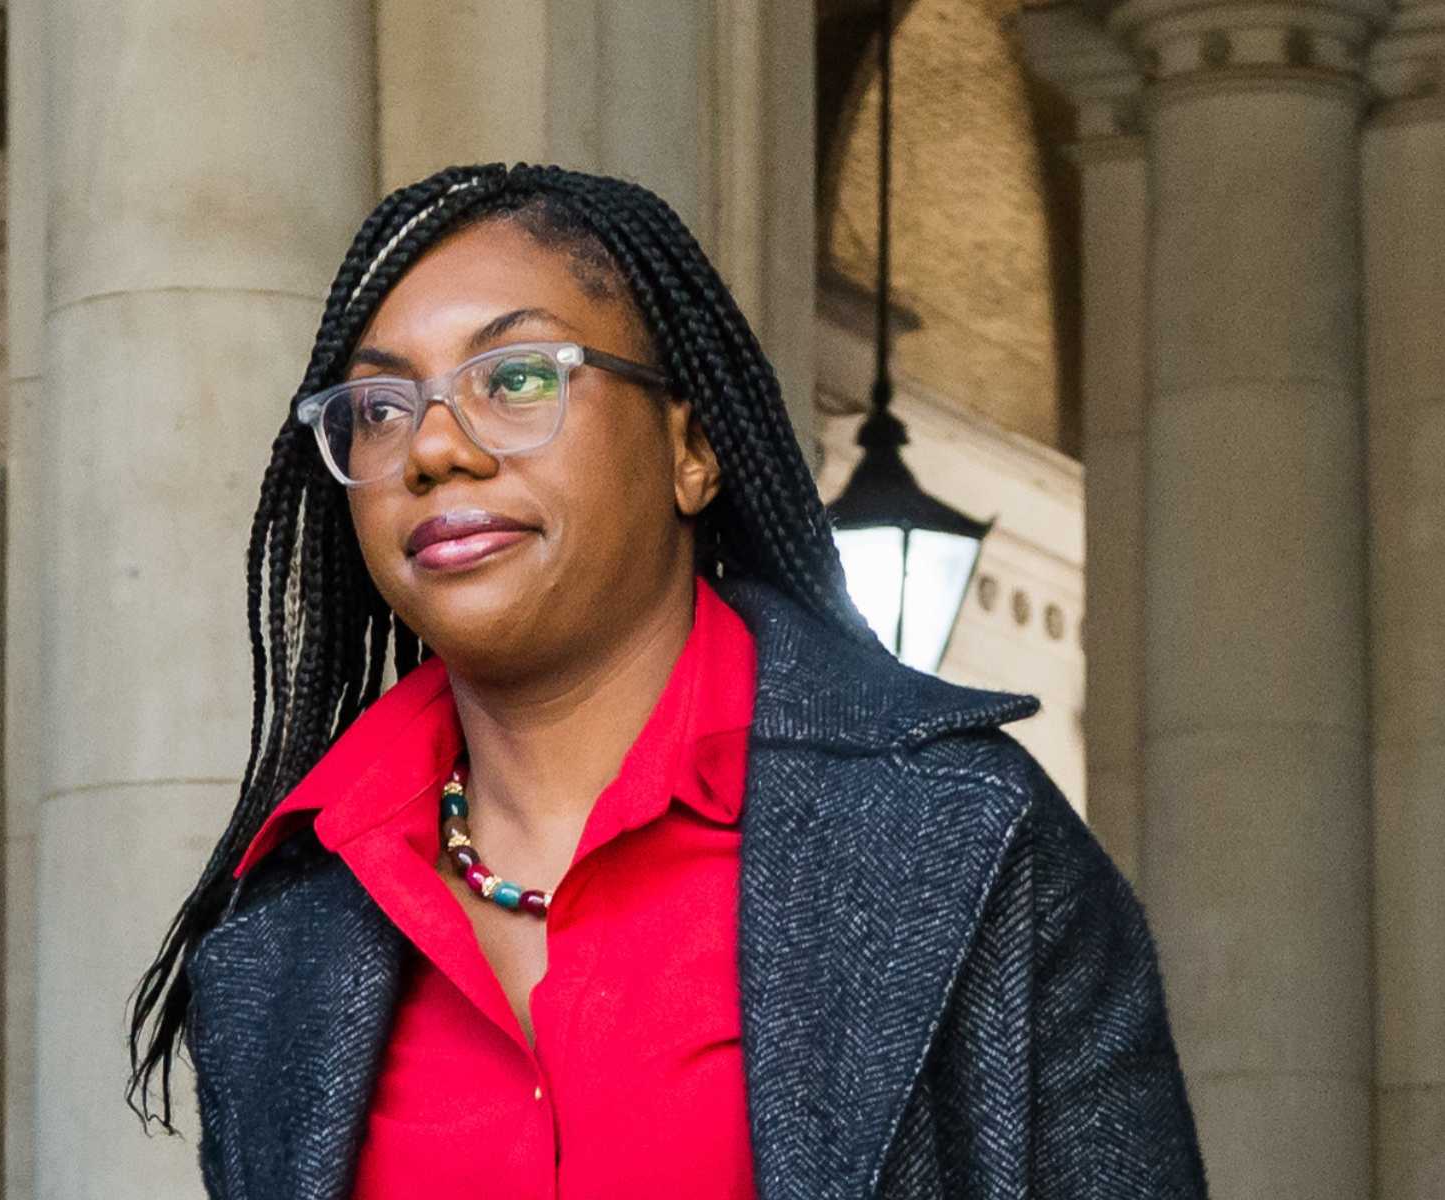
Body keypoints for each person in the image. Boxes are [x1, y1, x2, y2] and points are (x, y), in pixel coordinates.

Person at [127, 162, 1207, 1200]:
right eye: (378, 406)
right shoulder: (286, 924)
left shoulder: (962, 837)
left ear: (690, 447)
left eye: (515, 379)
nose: (434, 449)